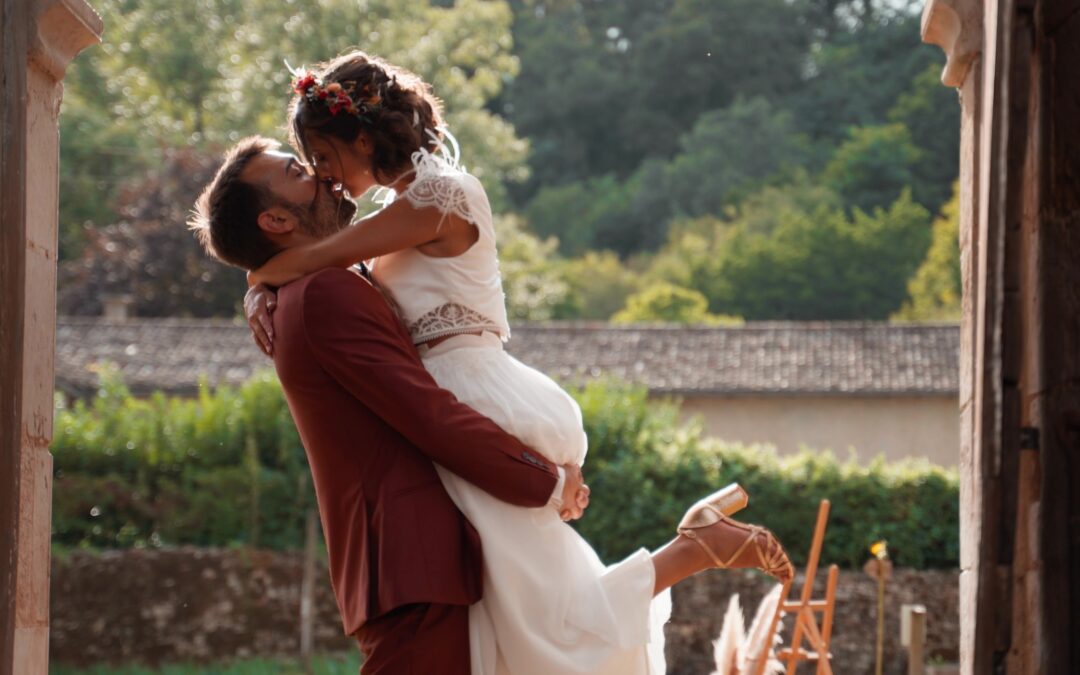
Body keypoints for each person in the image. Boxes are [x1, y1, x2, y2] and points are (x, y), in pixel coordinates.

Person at [236, 51, 793, 675]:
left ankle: (693, 549)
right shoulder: (389, 218)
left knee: (539, 617)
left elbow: (320, 259)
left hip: (471, 395)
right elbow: (334, 265)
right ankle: (693, 546)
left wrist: (259, 275)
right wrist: (266, 285)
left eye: (321, 157)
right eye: (307, 166)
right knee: (526, 609)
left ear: (361, 137)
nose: (323, 175)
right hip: (454, 398)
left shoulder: (441, 198)